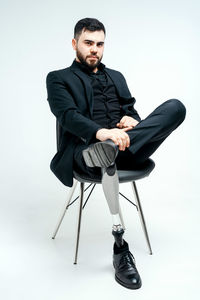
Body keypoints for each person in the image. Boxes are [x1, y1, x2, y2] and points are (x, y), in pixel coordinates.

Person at [46, 17, 186, 289]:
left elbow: (130, 109)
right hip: (85, 151)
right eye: (88, 43)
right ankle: (121, 250)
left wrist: (131, 121)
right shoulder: (58, 78)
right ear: (75, 44)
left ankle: (111, 149)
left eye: (99, 44)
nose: (94, 49)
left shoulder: (117, 77)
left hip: (124, 147)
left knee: (176, 107)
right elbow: (67, 115)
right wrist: (103, 133)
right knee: (104, 151)